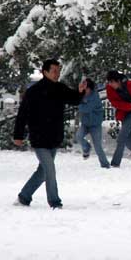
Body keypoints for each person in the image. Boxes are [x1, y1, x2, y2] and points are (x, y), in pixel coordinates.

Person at [13, 58, 86, 209]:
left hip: (54, 137)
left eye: (58, 71)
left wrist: (80, 92)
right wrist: (18, 135)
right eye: (54, 71)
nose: (57, 74)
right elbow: (22, 114)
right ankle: (55, 202)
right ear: (44, 72)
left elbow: (74, 100)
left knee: (43, 172)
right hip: (39, 138)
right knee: (50, 170)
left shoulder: (60, 88)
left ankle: (24, 197)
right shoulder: (33, 92)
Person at [76, 78, 109, 168]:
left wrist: (80, 102)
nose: (84, 90)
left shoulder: (94, 97)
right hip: (85, 123)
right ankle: (86, 148)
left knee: (98, 146)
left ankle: (105, 164)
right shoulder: (82, 95)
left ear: (90, 89)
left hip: (95, 125)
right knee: (78, 136)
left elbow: (85, 109)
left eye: (85, 89)